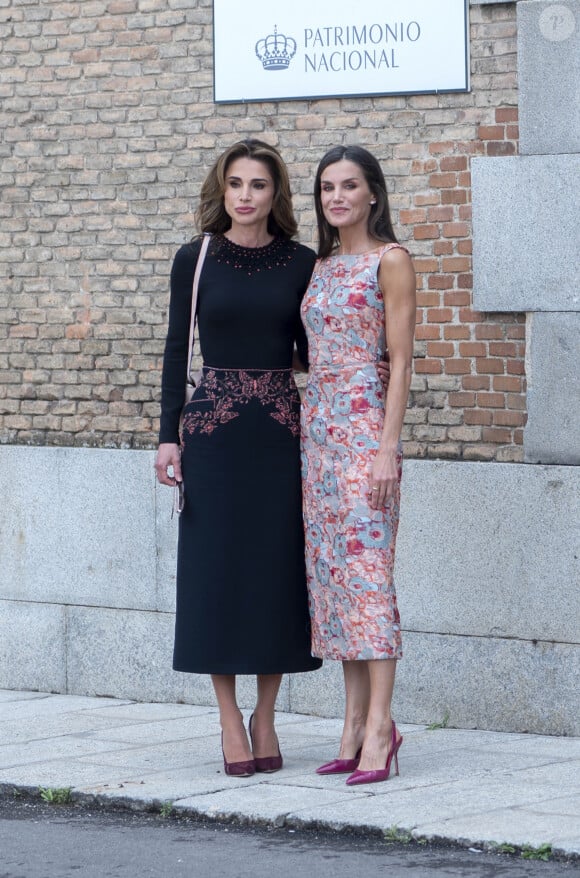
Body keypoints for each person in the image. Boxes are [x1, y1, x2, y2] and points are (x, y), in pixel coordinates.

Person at [154, 139, 322, 779]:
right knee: (217, 574)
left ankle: (267, 715)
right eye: (236, 184)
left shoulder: (303, 261)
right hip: (214, 435)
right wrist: (168, 436)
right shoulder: (194, 258)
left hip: (280, 432)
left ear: (276, 195)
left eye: (259, 185)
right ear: (221, 190)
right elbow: (175, 350)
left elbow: (313, 347)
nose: (246, 195)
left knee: (276, 571)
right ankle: (228, 717)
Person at [300, 145, 416, 786]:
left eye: (349, 186)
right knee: (336, 583)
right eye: (326, 188)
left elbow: (400, 360)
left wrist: (387, 447)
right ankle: (348, 726)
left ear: (373, 193)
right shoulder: (320, 267)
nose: (337, 197)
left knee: (370, 578)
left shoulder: (390, 260)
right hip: (317, 437)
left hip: (367, 431)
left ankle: (381, 728)